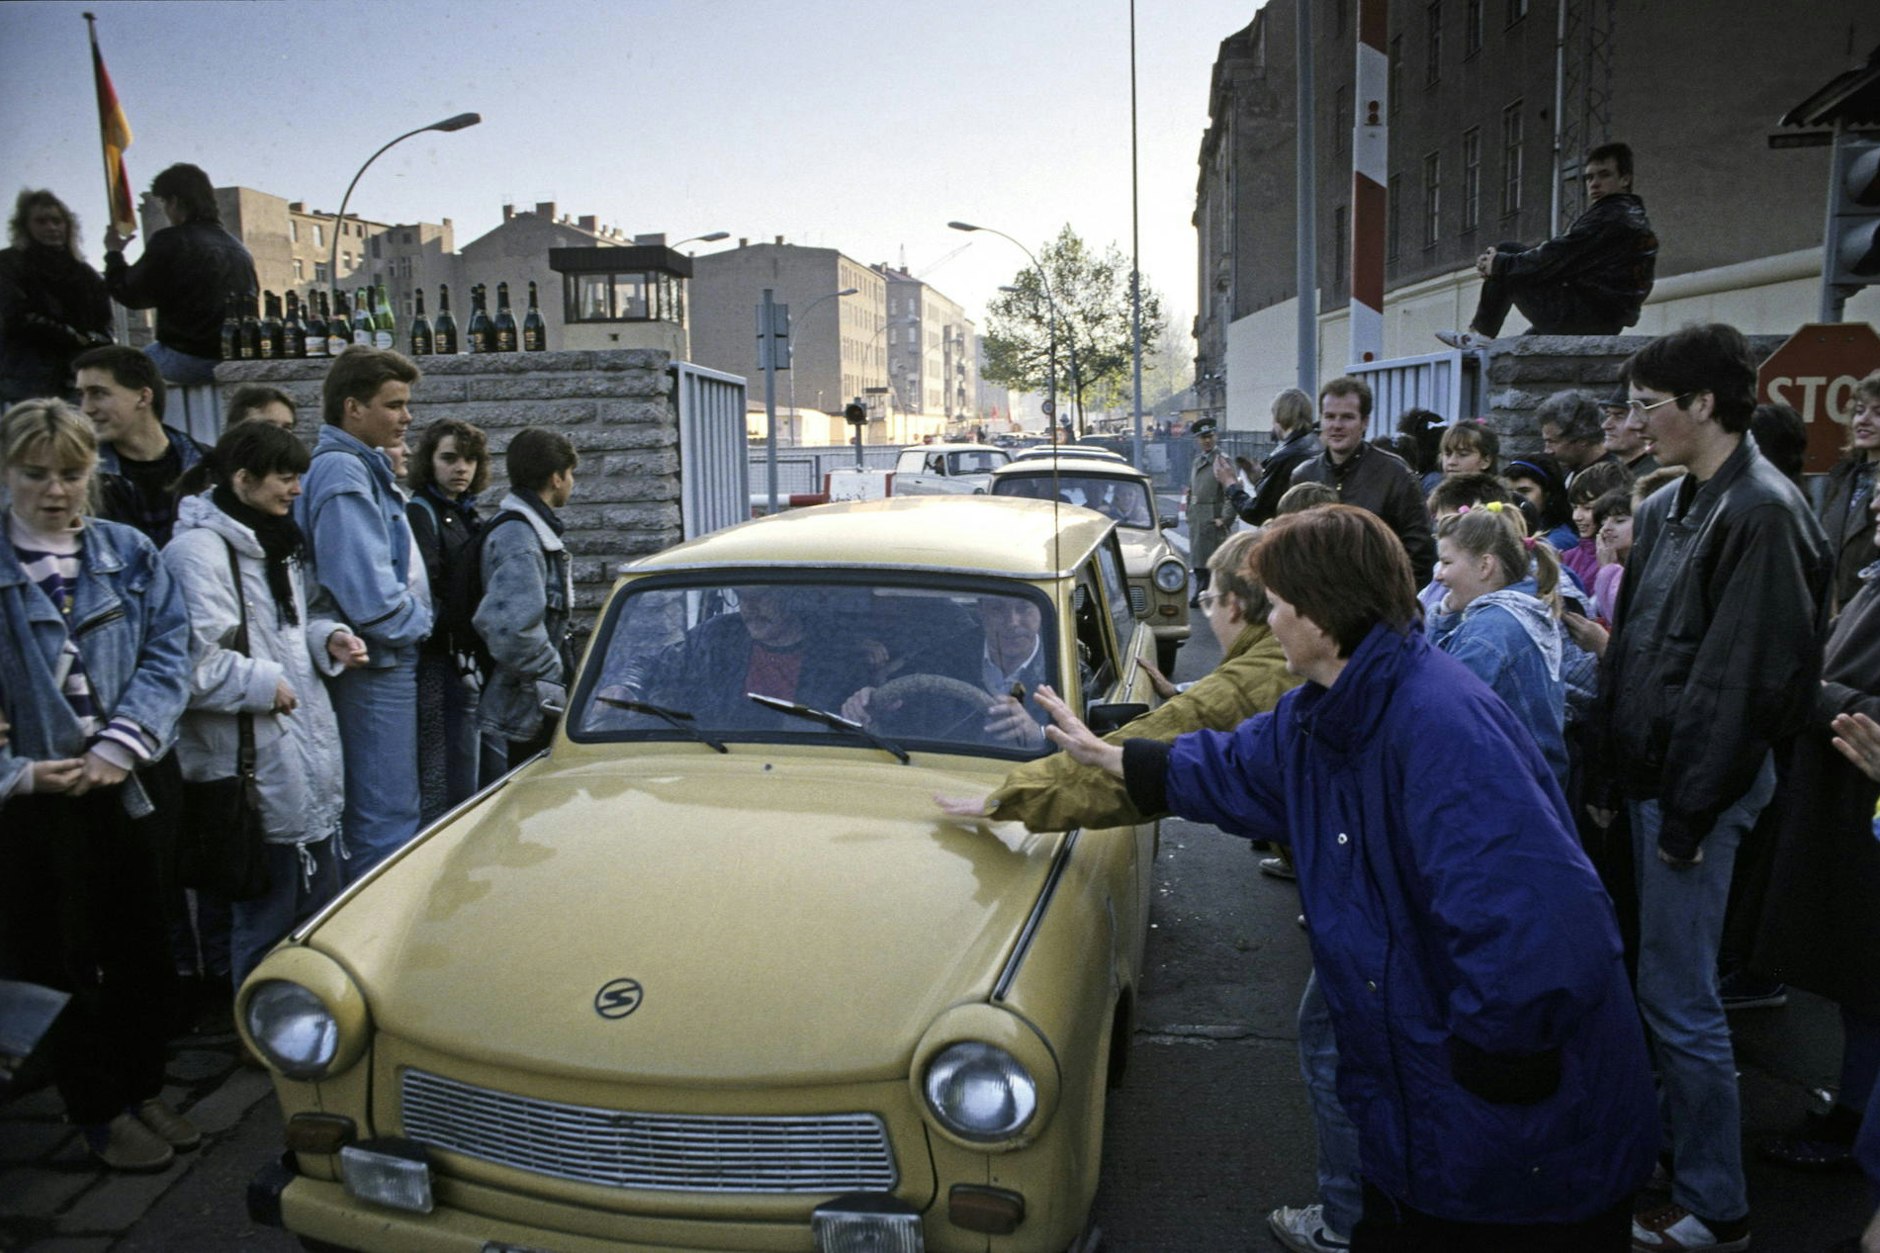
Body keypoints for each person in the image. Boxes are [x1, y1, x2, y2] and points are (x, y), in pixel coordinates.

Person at [1037, 504, 1656, 1250]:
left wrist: (1494, 1068)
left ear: (1321, 617)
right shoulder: (1335, 710)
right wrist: (1123, 759)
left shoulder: (1440, 727)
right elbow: (1237, 764)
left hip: (1524, 1151)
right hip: (1441, 1125)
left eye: (1275, 604)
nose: (1265, 621)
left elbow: (1533, 922)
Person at [1595, 322, 1834, 1253]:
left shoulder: (1765, 514)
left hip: (1695, 795)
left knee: (1681, 1000)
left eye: (1649, 404)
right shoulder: (1668, 508)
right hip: (1651, 784)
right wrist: (1611, 779)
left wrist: (1686, 817)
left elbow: (1747, 686)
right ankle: (1665, 1157)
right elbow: (1632, 661)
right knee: (1652, 990)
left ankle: (1716, 1205)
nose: (1635, 421)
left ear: (1704, 404)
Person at [0, 398, 195, 1171]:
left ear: (94, 474)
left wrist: (125, 741)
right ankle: (98, 1106)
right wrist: (15, 774)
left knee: (145, 945)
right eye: (34, 474)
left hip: (129, 783)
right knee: (62, 957)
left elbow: (169, 650)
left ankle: (145, 1084)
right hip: (39, 805)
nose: (54, 490)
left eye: (71, 473)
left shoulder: (127, 551)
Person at [161, 421, 362, 986]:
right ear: (242, 479)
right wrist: (260, 683)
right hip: (250, 772)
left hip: (302, 756)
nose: (297, 489)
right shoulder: (196, 555)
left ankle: (304, 1017)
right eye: (285, 477)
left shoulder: (275, 542)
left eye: (298, 476)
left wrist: (329, 639)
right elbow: (188, 665)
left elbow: (290, 633)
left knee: (313, 907)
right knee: (266, 912)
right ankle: (258, 1031)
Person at [296, 346, 432, 882]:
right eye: (394, 404)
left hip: (381, 662)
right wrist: (421, 623)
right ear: (352, 408)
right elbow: (368, 596)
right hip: (376, 666)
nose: (407, 416)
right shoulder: (342, 472)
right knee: (384, 819)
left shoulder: (356, 467)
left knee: (392, 811)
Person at [1436, 141, 1657, 346]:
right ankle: (1484, 339)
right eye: (1589, 178)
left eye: (1604, 175)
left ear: (1625, 179)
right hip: (1601, 318)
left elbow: (1557, 256)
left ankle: (1479, 335)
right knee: (1524, 350)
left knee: (1507, 251)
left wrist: (1500, 265)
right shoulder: (1633, 217)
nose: (1594, 184)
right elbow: (1566, 262)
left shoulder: (1610, 216)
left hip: (1583, 318)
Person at [1429, 503, 1569, 784]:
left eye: (1447, 563)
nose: (1438, 575)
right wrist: (1446, 616)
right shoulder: (1518, 612)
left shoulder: (1488, 634)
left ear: (1484, 565)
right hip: (1531, 787)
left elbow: (1438, 713)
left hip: (1506, 790)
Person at [475, 427, 577, 776]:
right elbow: (513, 630)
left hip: (534, 699)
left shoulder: (531, 532)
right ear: (556, 477)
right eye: (571, 473)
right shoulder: (520, 538)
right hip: (528, 704)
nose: (572, 482)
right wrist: (556, 679)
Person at [102, 163, 258, 386]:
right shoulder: (240, 249)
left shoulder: (171, 240)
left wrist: (114, 253)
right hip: (235, 358)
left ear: (174, 201)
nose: (165, 210)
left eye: (164, 202)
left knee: (113, 375)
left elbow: (130, 294)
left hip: (188, 358)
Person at [407, 418, 488, 815]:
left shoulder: (466, 511)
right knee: (446, 757)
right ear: (430, 461)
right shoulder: (422, 512)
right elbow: (430, 584)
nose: (461, 468)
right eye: (450, 458)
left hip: (468, 651)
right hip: (441, 656)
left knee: (471, 755)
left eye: (469, 460)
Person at [1288, 375, 1435, 581]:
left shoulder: (1395, 474)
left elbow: (1419, 554)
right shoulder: (1303, 475)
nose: (1336, 425)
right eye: (1329, 416)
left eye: (1347, 417)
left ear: (1364, 422)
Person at [71, 345, 208, 549]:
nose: (86, 408)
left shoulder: (208, 465)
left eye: (98, 393)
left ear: (143, 397)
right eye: (82, 395)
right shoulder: (81, 476)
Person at [0, 190, 112, 406]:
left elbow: (104, 328)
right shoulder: (8, 264)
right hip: (27, 378)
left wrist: (89, 341)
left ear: (67, 225)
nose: (51, 227)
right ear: (25, 226)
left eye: (56, 221)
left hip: (76, 378)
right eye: (41, 221)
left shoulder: (86, 274)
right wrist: (75, 336)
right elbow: (17, 318)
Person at [172, 384, 299, 500]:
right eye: (268, 426)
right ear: (237, 428)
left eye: (287, 428)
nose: (280, 435)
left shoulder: (288, 481)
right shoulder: (206, 485)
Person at [1820, 372, 1880, 614]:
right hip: (1832, 620)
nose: (1863, 420)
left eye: (1878, 413)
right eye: (1859, 410)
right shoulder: (1842, 478)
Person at [1217, 389, 1320, 526]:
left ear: (1280, 417)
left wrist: (1230, 484)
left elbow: (1257, 513)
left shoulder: (1285, 457)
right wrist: (1260, 480)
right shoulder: (1316, 444)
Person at [1561, 459, 1633, 588]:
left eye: (1588, 508)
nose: (1576, 517)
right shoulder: (1567, 557)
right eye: (1574, 507)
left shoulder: (1627, 561)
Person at [1187, 416, 1232, 604]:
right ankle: (1201, 588)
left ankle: (1207, 591)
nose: (1206, 440)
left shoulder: (1222, 461)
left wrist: (1225, 518)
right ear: (1197, 440)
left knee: (1212, 560)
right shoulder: (1198, 461)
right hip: (1198, 517)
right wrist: (1189, 511)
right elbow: (1192, 488)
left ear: (1215, 436)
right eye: (1202, 437)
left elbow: (1231, 492)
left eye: (1209, 436)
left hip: (1213, 517)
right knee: (1198, 558)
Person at [1501, 453, 1578, 553]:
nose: (1514, 499)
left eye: (1524, 491)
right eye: (1509, 491)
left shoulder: (1559, 539)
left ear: (1547, 494)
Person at [1537, 389, 1615, 481]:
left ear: (1583, 440)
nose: (1547, 451)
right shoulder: (1574, 471)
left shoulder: (1610, 477)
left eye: (1552, 442)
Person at [1601, 378, 1660, 476]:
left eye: (1619, 416)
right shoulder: (1612, 473)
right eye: (1607, 415)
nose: (1605, 426)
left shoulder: (1657, 476)